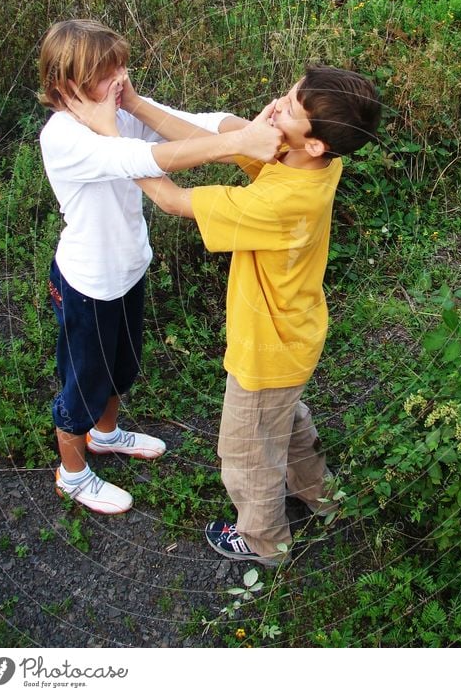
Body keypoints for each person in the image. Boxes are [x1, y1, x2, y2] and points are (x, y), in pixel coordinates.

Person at [130, 65, 382, 565]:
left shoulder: (280, 199)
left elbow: (174, 199)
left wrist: (116, 150)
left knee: (247, 453)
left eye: (290, 108)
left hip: (266, 347)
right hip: (296, 333)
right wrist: (136, 105)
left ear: (313, 142)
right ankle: (321, 496)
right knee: (285, 423)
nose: (277, 105)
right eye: (288, 95)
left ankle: (265, 540)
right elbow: (215, 139)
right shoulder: (313, 161)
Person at [38, 19, 282, 515]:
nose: (122, 80)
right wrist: (237, 147)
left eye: (122, 65)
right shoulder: (63, 136)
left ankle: (106, 436)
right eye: (108, 73)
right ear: (67, 86)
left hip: (128, 270)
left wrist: (249, 131)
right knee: (83, 385)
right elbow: (149, 157)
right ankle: (73, 473)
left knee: (121, 367)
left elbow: (194, 123)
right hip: (88, 284)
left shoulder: (119, 110)